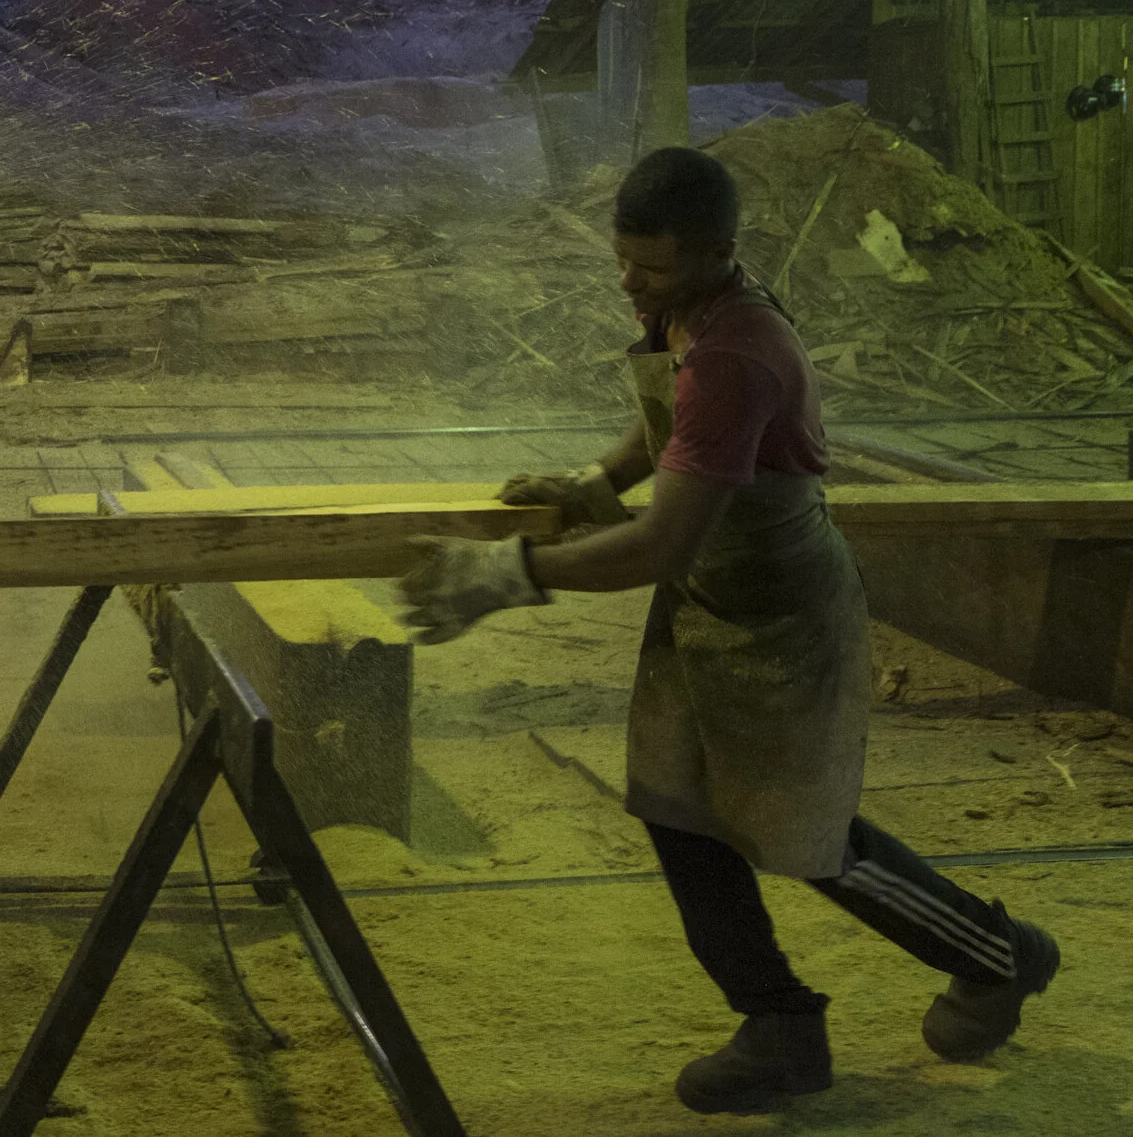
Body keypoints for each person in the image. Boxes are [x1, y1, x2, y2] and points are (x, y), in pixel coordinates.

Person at [398, 146, 1060, 1116]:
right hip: (709, 601)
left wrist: (506, 573)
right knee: (678, 812)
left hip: (779, 614)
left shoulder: (740, 354)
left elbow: (662, 541)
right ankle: (778, 1024)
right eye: (622, 259)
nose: (630, 281)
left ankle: (999, 952)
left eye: (652, 267)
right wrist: (593, 482)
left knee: (805, 835)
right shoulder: (688, 312)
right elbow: (669, 427)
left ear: (718, 251)